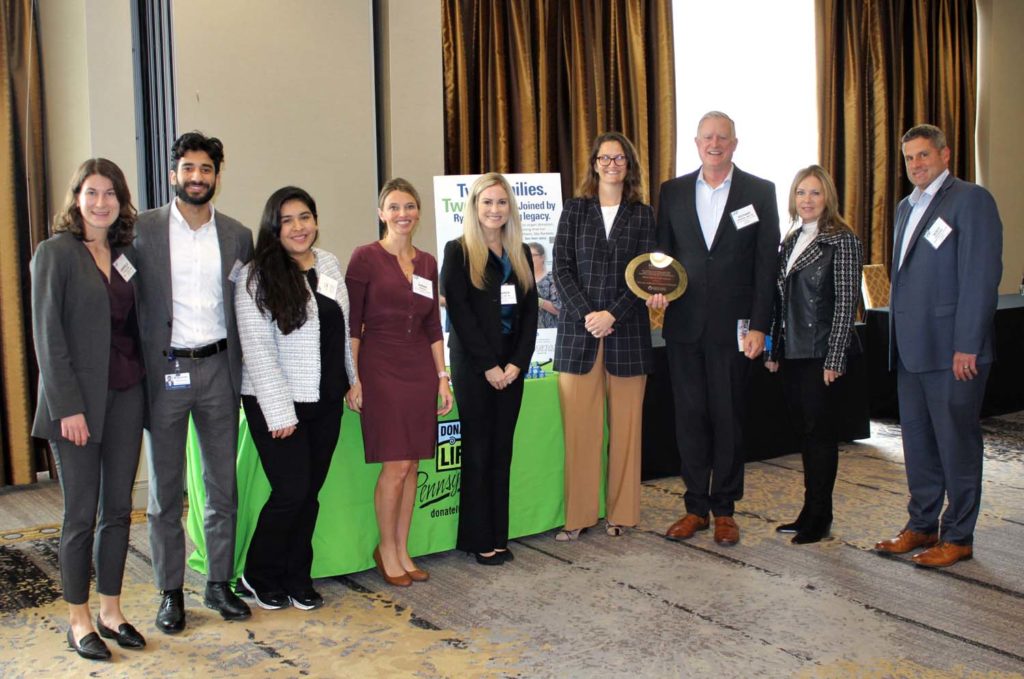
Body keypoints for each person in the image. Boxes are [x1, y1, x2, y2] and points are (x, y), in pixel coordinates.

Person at [134, 132, 254, 631]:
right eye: (188, 168)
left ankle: (218, 583)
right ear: (173, 173)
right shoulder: (140, 231)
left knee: (220, 486)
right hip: (165, 372)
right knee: (165, 490)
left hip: (219, 371)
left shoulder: (236, 236)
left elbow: (248, 308)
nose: (197, 177)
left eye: (206, 169)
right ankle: (169, 592)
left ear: (217, 177)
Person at [31, 159, 147, 660]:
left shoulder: (126, 254)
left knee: (119, 510)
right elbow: (47, 338)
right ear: (76, 197)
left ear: (121, 201)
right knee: (81, 513)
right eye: (92, 192)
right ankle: (78, 619)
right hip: (76, 406)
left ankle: (111, 610)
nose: (101, 202)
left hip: (126, 395)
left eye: (111, 194)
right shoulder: (55, 254)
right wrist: (68, 408)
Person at [874, 124, 1003, 568]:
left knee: (957, 444)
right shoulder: (906, 207)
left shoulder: (971, 200)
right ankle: (922, 523)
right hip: (912, 350)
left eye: (924, 155)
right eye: (909, 158)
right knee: (919, 443)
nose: (916, 165)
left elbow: (981, 278)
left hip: (953, 352)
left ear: (945, 155)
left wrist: (968, 344)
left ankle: (959, 535)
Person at [653, 111, 780, 545]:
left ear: (734, 143)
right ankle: (695, 508)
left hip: (735, 329)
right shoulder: (671, 192)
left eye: (722, 137)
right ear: (695, 142)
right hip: (684, 326)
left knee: (728, 418)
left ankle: (725, 508)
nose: (714, 143)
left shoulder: (759, 192)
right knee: (689, 419)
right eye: (707, 137)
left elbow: (767, 267)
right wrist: (656, 289)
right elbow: (661, 256)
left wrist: (761, 326)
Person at [234, 187, 356, 609]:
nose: (298, 227)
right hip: (277, 402)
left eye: (305, 217)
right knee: (291, 490)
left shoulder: (329, 264)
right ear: (273, 227)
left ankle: (296, 575)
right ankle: (257, 573)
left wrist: (353, 380)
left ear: (316, 221)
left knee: (310, 492)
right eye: (287, 220)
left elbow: (341, 332)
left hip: (326, 398)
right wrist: (279, 411)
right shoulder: (256, 276)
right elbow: (258, 350)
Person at [345, 178, 453, 586]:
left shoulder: (427, 262)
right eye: (393, 207)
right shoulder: (365, 258)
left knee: (412, 465)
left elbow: (432, 325)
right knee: (395, 466)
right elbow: (352, 324)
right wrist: (353, 377)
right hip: (380, 367)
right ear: (381, 213)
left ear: (418, 212)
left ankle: (403, 548)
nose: (402, 214)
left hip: (419, 371)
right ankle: (385, 550)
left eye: (409, 206)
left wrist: (442, 379)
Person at [553, 131, 656, 540]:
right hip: (579, 337)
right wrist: (590, 315)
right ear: (594, 163)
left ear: (628, 166)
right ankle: (578, 517)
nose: (612, 165)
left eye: (619, 159)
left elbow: (649, 273)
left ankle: (622, 514)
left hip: (628, 334)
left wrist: (612, 314)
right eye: (604, 158)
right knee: (581, 433)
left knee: (627, 433)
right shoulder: (575, 210)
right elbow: (561, 269)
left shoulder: (643, 214)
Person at [441, 173, 538, 565]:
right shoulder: (458, 251)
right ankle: (478, 538)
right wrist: (490, 367)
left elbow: (530, 315)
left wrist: (516, 363)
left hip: (512, 370)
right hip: (475, 369)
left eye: (501, 203)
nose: (495, 210)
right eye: (487, 203)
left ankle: (499, 534)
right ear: (475, 207)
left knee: (502, 453)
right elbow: (461, 315)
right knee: (479, 454)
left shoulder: (520, 253)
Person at [764, 165, 863, 544]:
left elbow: (845, 305)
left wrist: (835, 358)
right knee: (804, 435)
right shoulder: (790, 240)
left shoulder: (843, 240)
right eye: (801, 193)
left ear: (828, 199)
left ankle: (821, 517)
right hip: (791, 353)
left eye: (815, 193)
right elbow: (779, 301)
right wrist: (773, 348)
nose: (807, 200)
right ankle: (809, 510)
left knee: (820, 437)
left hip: (821, 355)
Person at [529, 241, 560, 328]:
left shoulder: (552, 279)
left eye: (532, 255)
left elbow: (558, 310)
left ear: (542, 257)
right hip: (527, 333)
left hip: (548, 333)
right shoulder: (521, 281)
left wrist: (538, 301)